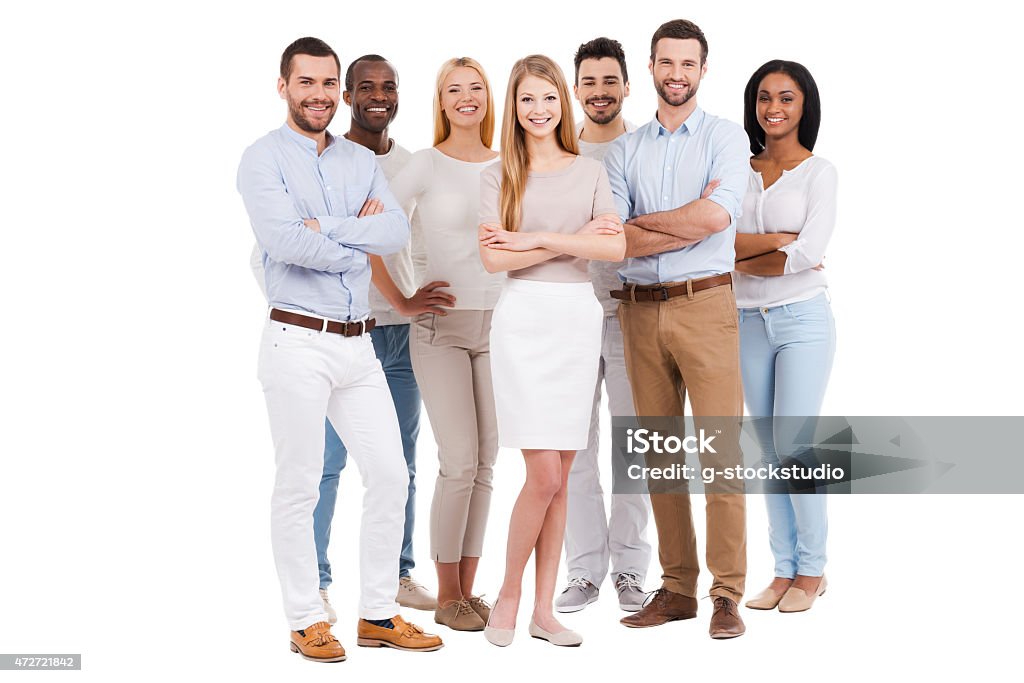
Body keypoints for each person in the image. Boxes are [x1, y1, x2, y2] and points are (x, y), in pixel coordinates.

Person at [237, 36, 442, 661]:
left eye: (329, 84)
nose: (320, 95)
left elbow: (393, 230)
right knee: (299, 482)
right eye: (308, 83)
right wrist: (349, 243)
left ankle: (378, 613)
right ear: (283, 86)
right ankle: (306, 619)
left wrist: (322, 228)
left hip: (359, 347)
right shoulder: (262, 159)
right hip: (297, 339)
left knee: (390, 473)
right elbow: (281, 241)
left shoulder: (357, 160)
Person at [604, 19, 750, 639]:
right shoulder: (623, 150)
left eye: (687, 64)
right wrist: (685, 221)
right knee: (660, 461)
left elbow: (718, 217)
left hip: (707, 307)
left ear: (703, 69)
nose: (676, 74)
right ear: (652, 66)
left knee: (720, 459)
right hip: (638, 309)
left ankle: (727, 595)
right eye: (666, 63)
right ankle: (677, 589)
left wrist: (653, 223)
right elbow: (613, 239)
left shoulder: (725, 136)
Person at [478, 54, 626, 648]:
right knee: (542, 475)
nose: (538, 110)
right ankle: (508, 593)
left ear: (562, 103)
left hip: (575, 320)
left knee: (561, 478)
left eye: (547, 98)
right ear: (512, 108)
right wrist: (573, 243)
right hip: (523, 323)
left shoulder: (589, 170)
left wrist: (535, 237)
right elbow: (493, 260)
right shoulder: (498, 174)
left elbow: (612, 249)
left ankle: (544, 610)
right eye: (526, 99)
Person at [376, 57, 504, 632]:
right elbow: (370, 230)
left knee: (487, 464)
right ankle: (447, 591)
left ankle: (468, 591)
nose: (467, 97)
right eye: (455, 90)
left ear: (488, 97)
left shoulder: (511, 162)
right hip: (441, 330)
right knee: (458, 461)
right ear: (442, 101)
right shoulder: (425, 165)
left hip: (502, 329)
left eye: (476, 87)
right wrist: (403, 301)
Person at [734, 60, 837, 613]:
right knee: (768, 452)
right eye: (765, 97)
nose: (774, 107)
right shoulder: (739, 168)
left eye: (787, 98)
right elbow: (721, 247)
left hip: (802, 321)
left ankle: (813, 571)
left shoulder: (820, 173)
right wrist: (775, 241)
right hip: (747, 323)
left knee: (796, 448)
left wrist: (756, 251)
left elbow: (808, 254)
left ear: (804, 107)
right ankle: (782, 570)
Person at [555, 36, 652, 615]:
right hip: (567, 314)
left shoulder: (645, 149)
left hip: (631, 311)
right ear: (575, 89)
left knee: (633, 444)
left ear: (625, 86)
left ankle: (632, 571)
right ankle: (584, 571)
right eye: (588, 82)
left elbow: (648, 234)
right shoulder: (561, 153)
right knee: (576, 446)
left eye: (608, 81)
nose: (599, 92)